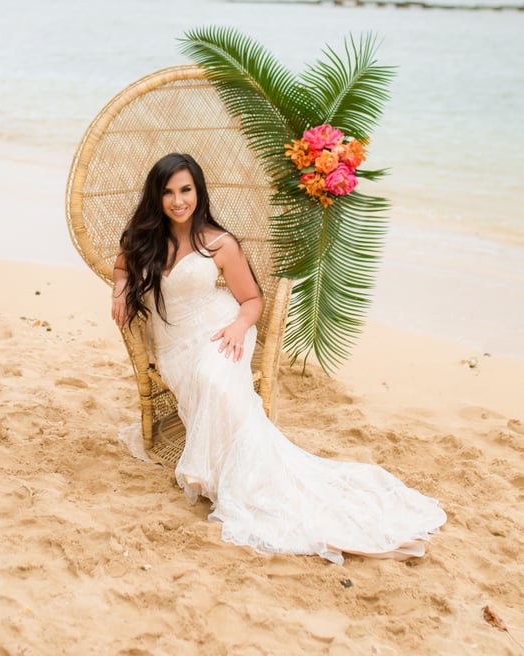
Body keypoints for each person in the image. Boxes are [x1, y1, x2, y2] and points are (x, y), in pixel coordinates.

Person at [112, 153, 446, 564]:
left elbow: (252, 300)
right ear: (156, 196)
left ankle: (232, 476)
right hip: (175, 346)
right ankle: (223, 468)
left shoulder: (220, 243)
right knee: (206, 381)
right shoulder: (144, 237)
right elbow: (123, 268)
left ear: (199, 192)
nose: (178, 200)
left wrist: (237, 328)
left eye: (186, 190)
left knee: (215, 380)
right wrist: (119, 292)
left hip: (223, 329)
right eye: (168, 192)